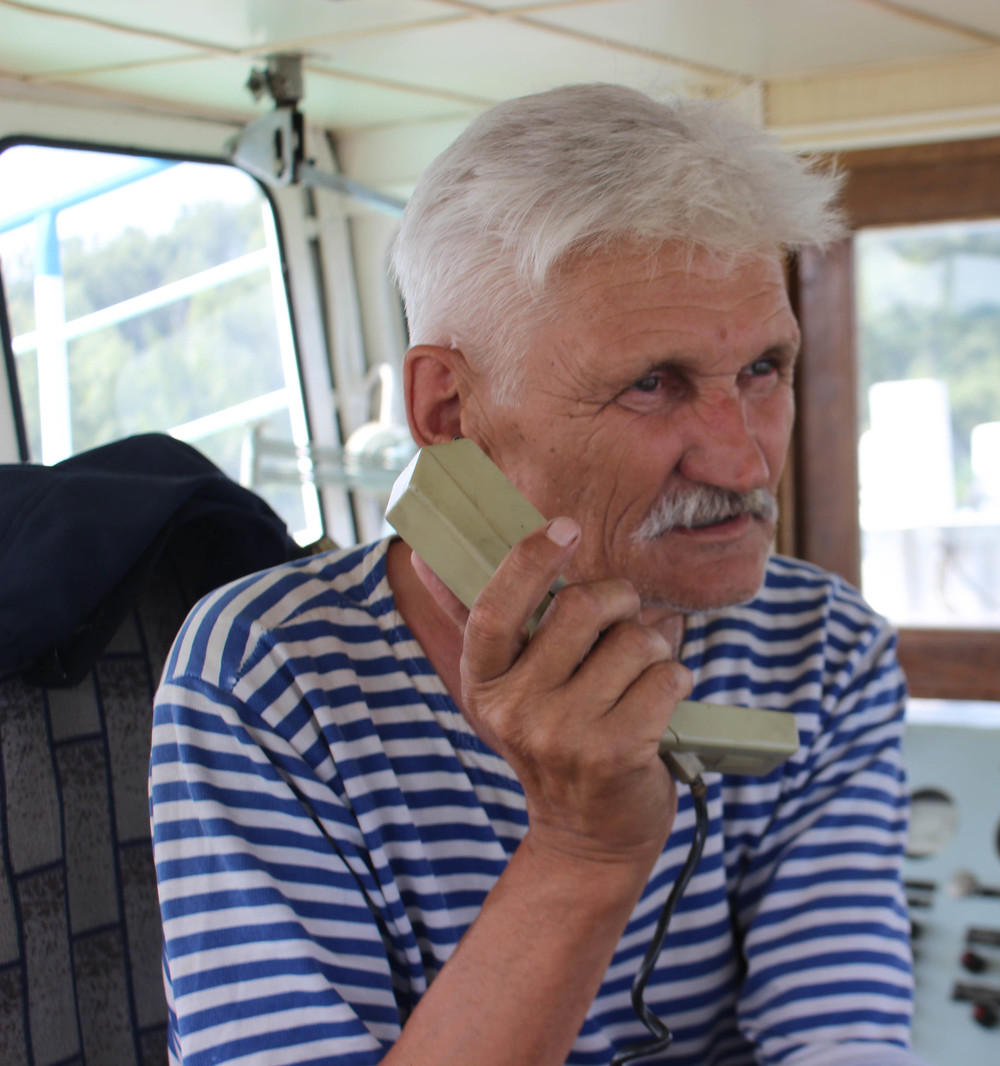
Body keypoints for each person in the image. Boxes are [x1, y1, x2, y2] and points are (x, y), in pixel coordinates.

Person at [151, 84, 921, 1065]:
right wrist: (582, 851)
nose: (743, 462)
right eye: (652, 383)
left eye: (763, 370)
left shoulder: (822, 646)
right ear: (448, 409)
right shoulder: (265, 676)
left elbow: (841, 1038)